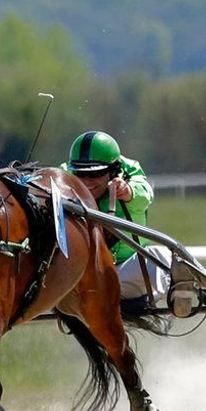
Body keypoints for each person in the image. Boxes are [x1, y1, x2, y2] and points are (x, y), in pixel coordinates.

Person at [63, 129, 196, 315]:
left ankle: (182, 293)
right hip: (83, 282)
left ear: (113, 172)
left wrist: (128, 191)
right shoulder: (62, 177)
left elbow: (145, 192)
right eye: (80, 174)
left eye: (94, 175)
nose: (86, 182)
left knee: (160, 254)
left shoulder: (130, 172)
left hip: (128, 272)